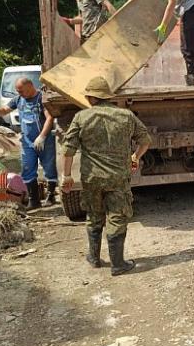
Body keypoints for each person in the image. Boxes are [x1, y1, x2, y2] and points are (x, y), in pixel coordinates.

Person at [61, 76, 151, 276]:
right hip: (118, 178)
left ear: (91, 98)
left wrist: (66, 176)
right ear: (107, 97)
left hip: (92, 178)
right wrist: (135, 157)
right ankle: (118, 264)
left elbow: (68, 150)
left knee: (93, 215)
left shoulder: (81, 117)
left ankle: (94, 258)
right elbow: (145, 140)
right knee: (117, 217)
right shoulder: (126, 116)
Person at [0, 77, 57, 209]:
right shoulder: (18, 99)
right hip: (27, 141)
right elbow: (5, 109)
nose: (19, 93)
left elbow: (50, 118)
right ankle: (34, 201)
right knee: (27, 169)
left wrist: (42, 136)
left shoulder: (41, 99)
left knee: (49, 168)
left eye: (21, 91)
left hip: (44, 140)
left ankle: (51, 195)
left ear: (30, 87)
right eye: (18, 91)